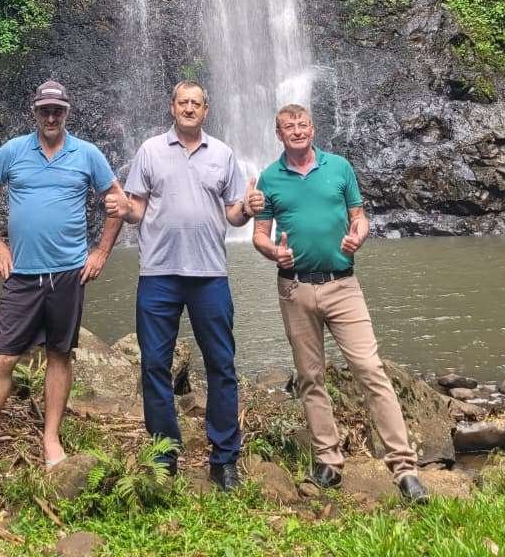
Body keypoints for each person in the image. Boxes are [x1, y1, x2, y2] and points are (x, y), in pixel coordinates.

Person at [0, 79, 128, 494]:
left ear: (66, 113)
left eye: (57, 111)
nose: (51, 117)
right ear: (35, 112)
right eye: (45, 110)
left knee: (59, 355)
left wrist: (101, 252)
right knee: (1, 358)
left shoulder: (88, 154)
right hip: (23, 276)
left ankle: (50, 439)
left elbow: (117, 201)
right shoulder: (13, 151)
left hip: (68, 274)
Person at [252, 104, 428, 503]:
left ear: (313, 129)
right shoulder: (269, 178)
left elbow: (359, 217)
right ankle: (328, 461)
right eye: (288, 126)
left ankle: (405, 468)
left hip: (343, 285)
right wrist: (272, 252)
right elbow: (260, 234)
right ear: (278, 134)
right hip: (295, 288)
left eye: (303, 124)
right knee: (310, 377)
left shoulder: (340, 167)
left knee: (370, 369)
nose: (297, 130)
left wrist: (358, 234)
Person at [114, 81, 264, 491]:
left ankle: (224, 459)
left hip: (210, 274)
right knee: (154, 365)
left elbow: (233, 214)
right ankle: (165, 455)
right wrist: (125, 208)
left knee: (221, 364)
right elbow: (137, 208)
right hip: (158, 274)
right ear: (172, 107)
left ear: (206, 110)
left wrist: (248, 209)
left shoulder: (223, 154)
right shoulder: (150, 150)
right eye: (183, 102)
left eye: (196, 103)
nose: (189, 108)